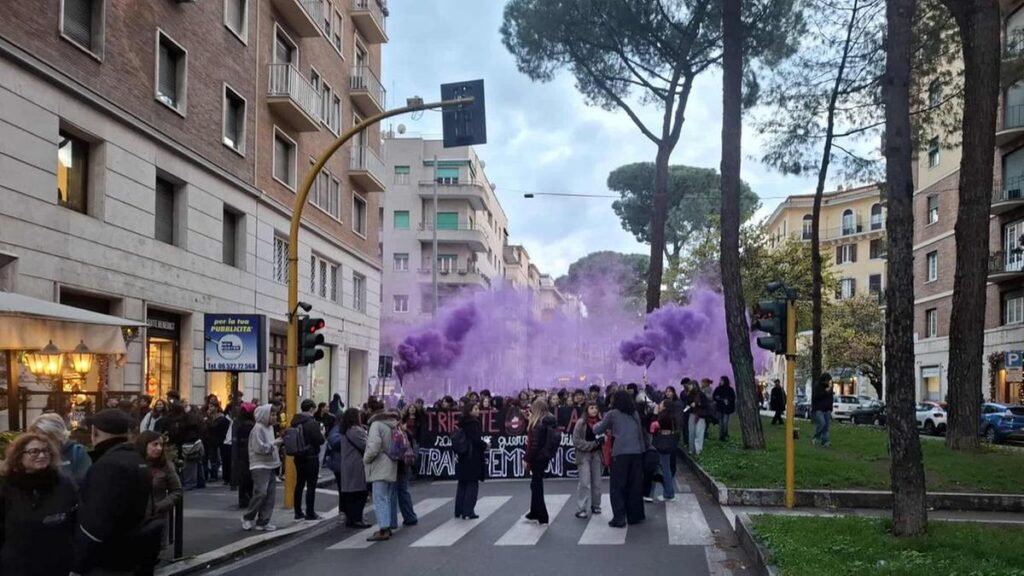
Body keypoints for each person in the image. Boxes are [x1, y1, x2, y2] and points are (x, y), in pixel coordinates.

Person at [72, 409, 151, 576]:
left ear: (94, 432)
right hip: (129, 552)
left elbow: (95, 523)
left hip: (106, 559)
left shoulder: (107, 466)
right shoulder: (136, 458)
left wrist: (78, 566)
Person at [0, 433, 78, 576]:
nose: (42, 455)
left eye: (45, 451)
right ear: (19, 456)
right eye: (34, 451)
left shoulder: (63, 484)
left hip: (56, 562)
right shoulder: (7, 486)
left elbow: (75, 520)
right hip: (17, 564)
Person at [594, 390, 645, 528]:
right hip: (636, 452)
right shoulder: (634, 413)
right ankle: (635, 516)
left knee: (618, 486)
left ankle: (619, 518)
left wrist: (596, 424)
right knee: (634, 485)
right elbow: (640, 433)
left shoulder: (612, 414)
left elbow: (598, 430)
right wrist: (642, 450)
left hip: (620, 453)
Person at [135, 431, 182, 576]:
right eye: (154, 444)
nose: (159, 448)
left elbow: (177, 491)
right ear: (144, 445)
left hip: (155, 520)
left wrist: (160, 506)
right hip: (134, 520)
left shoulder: (166, 466)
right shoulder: (133, 463)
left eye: (161, 444)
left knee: (149, 561)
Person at [363, 400, 400, 541]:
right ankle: (388, 526)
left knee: (379, 498)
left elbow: (374, 445)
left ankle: (383, 528)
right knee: (387, 497)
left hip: (380, 464)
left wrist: (366, 459)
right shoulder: (391, 423)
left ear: (370, 410)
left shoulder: (376, 424)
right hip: (391, 461)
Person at [242, 404, 282, 532]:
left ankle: (263, 521)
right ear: (265, 415)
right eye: (272, 415)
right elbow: (259, 448)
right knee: (261, 492)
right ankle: (248, 517)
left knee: (270, 495)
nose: (275, 417)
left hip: (270, 464)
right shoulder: (258, 428)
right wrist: (274, 443)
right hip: (259, 465)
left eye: (275, 415)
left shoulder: (269, 428)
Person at [329, 408, 370, 528]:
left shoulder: (344, 429)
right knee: (360, 493)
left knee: (351, 493)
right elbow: (365, 445)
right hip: (356, 464)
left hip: (348, 463)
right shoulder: (355, 430)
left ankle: (351, 518)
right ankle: (356, 518)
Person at [29, 413, 92, 486]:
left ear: (58, 436)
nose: (43, 443)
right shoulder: (31, 454)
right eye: (38, 439)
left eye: (48, 438)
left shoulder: (77, 453)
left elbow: (84, 484)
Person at [290, 399, 326, 521]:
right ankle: (310, 512)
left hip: (298, 456)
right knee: (311, 485)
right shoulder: (312, 423)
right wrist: (322, 433)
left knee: (299, 483)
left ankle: (298, 512)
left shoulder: (295, 421)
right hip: (311, 456)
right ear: (311, 409)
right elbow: (320, 440)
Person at [523, 399, 557, 525]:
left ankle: (542, 515)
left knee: (536, 485)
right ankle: (534, 511)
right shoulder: (550, 422)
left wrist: (526, 459)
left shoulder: (537, 424)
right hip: (545, 455)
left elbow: (533, 445)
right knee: (535, 484)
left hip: (537, 457)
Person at [454, 401, 487, 519]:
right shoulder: (473, 423)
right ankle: (468, 511)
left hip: (463, 456)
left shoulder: (462, 422)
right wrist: (485, 445)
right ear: (469, 411)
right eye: (475, 409)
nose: (478, 411)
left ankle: (459, 510)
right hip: (472, 456)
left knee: (462, 483)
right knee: (472, 484)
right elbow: (476, 440)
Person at [572, 401, 604, 519]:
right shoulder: (581, 423)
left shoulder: (601, 423)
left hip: (597, 454)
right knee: (585, 482)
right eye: (591, 408)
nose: (594, 410)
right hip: (583, 455)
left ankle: (596, 505)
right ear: (586, 410)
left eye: (596, 408)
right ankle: (581, 508)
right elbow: (576, 441)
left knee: (597, 482)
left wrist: (603, 440)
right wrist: (593, 444)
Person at [650, 401, 679, 501]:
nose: (659, 405)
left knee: (665, 468)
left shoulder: (663, 418)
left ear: (665, 407)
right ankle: (668, 492)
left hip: (663, 444)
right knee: (666, 467)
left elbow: (652, 427)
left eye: (661, 404)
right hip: (670, 443)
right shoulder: (672, 417)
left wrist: (655, 414)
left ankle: (669, 493)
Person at [395, 412, 419, 526]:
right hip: (404, 465)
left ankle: (409, 516)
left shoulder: (399, 434)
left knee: (400, 491)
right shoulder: (404, 433)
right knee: (403, 490)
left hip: (399, 464)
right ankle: (409, 516)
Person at [232, 403, 255, 507]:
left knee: (243, 476)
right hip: (249, 453)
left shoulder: (238, 423)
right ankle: (248, 497)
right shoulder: (250, 425)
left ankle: (243, 498)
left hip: (241, 453)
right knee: (249, 477)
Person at [812, 373, 835, 447]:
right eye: (827, 380)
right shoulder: (817, 386)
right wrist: (825, 392)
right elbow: (816, 397)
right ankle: (816, 437)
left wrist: (830, 408)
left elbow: (831, 398)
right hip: (819, 409)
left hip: (827, 409)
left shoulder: (830, 387)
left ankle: (825, 441)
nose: (828, 382)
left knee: (826, 426)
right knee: (822, 423)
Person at [686, 383, 708, 456]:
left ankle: (698, 450)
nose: (689, 387)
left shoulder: (701, 394)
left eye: (690, 385)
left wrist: (698, 404)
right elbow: (687, 404)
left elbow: (706, 404)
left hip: (700, 415)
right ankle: (691, 449)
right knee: (691, 432)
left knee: (699, 433)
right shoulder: (689, 395)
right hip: (692, 415)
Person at [713, 376, 737, 441]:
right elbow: (714, 396)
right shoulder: (718, 389)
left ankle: (724, 433)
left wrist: (728, 401)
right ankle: (721, 436)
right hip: (720, 408)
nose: (720, 382)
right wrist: (719, 399)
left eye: (722, 380)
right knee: (721, 422)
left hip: (727, 409)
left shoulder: (730, 389)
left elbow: (732, 398)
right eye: (720, 380)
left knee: (725, 422)